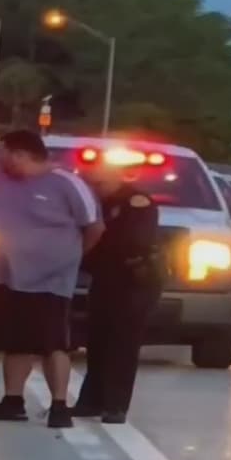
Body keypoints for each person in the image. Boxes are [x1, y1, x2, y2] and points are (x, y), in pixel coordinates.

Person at [0, 130, 104, 429]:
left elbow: (94, 227)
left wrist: (69, 256)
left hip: (49, 280)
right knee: (14, 341)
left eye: (3, 154)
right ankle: (12, 402)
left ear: (20, 155)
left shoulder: (67, 184)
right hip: (6, 274)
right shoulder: (3, 181)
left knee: (53, 342)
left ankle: (59, 406)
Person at [73, 159, 163, 424]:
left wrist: (89, 251)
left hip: (133, 281)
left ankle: (116, 405)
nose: (95, 188)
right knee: (97, 341)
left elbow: (131, 241)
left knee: (122, 344)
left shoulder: (136, 202)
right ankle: (91, 401)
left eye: (100, 183)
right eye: (91, 183)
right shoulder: (95, 204)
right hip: (104, 279)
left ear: (116, 178)